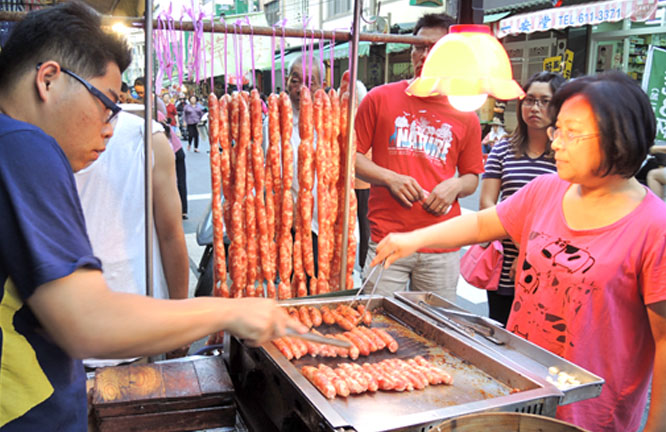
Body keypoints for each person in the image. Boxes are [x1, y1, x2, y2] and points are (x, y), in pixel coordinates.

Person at [0, 4, 304, 430]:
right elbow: (88, 321)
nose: (111, 125)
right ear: (48, 79)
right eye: (107, 104)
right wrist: (229, 311)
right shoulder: (24, 147)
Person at [372, 72, 666, 432]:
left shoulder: (655, 226)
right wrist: (411, 239)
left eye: (572, 133)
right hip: (521, 390)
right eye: (558, 129)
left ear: (618, 138)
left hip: (592, 412)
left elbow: (664, 339)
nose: (556, 142)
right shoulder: (545, 190)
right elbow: (482, 225)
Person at [354, 12, 483, 302]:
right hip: (387, 238)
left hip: (442, 240)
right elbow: (352, 158)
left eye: (434, 48)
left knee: (437, 329)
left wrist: (455, 186)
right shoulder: (379, 98)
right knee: (374, 324)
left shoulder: (466, 113)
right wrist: (390, 178)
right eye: (419, 47)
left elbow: (472, 176)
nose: (424, 55)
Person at [75, 106, 189, 367]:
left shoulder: (146, 137)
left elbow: (171, 233)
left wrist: (179, 315)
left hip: (140, 325)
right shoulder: (31, 137)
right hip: (60, 339)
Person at [479, 72, 565, 325]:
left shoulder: (564, 154)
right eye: (529, 100)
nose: (534, 108)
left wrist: (530, 254)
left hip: (549, 262)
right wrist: (520, 249)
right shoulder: (503, 148)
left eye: (544, 101)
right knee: (501, 328)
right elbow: (487, 204)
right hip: (506, 261)